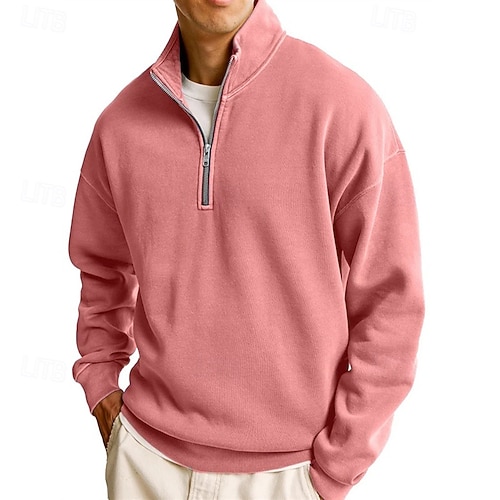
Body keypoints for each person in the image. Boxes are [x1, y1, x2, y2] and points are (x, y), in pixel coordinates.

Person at [68, 0, 425, 498]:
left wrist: (337, 465)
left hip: (289, 473)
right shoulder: (119, 125)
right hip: (146, 463)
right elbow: (103, 268)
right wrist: (100, 380)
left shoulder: (342, 106)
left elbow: (391, 300)